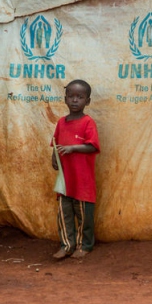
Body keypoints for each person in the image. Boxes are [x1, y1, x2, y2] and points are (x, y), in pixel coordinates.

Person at [50, 79, 100, 259]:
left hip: (83, 181)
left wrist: (72, 148)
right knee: (64, 214)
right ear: (65, 99)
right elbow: (55, 143)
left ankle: (85, 245)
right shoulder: (61, 123)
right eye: (71, 96)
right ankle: (66, 245)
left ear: (88, 101)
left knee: (84, 215)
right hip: (65, 180)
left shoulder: (88, 123)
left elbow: (93, 147)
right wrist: (54, 157)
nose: (75, 100)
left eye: (80, 97)